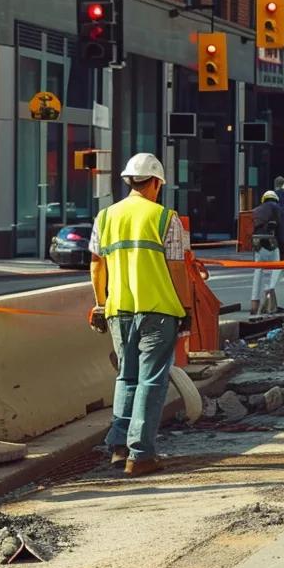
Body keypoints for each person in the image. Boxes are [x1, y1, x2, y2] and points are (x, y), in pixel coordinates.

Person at [88, 153, 192, 475]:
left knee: (126, 377)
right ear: (156, 183)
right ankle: (141, 455)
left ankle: (119, 448)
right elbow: (176, 269)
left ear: (128, 181)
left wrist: (101, 304)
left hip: (119, 310)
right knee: (151, 381)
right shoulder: (165, 218)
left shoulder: (105, 217)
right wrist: (186, 308)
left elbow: (96, 265)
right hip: (159, 311)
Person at [248, 190, 284, 315]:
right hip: (272, 244)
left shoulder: (256, 210)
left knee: (258, 272)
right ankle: (269, 302)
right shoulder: (278, 209)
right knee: (275, 272)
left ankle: (254, 304)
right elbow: (281, 232)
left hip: (258, 245)